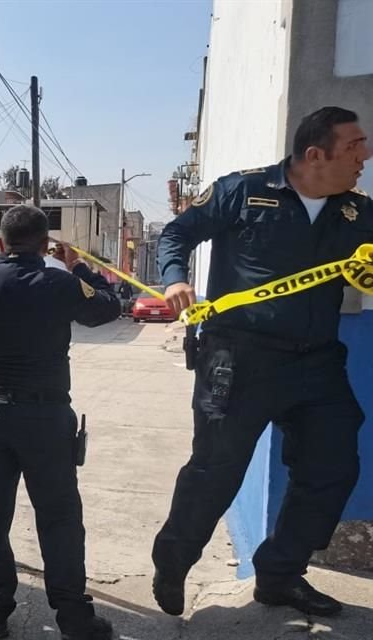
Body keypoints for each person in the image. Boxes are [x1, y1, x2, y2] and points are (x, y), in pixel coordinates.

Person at [153, 106, 373, 618]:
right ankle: (174, 558)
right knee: (216, 470)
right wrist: (174, 277)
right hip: (239, 358)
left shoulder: (358, 213)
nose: (364, 156)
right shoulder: (242, 191)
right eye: (354, 146)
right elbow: (177, 233)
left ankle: (279, 574)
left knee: (333, 465)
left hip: (317, 362)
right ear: (315, 155)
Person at [0, 205, 121, 640]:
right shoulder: (60, 282)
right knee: (59, 518)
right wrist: (80, 269)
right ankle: (74, 619)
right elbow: (108, 308)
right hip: (46, 417)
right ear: (46, 247)